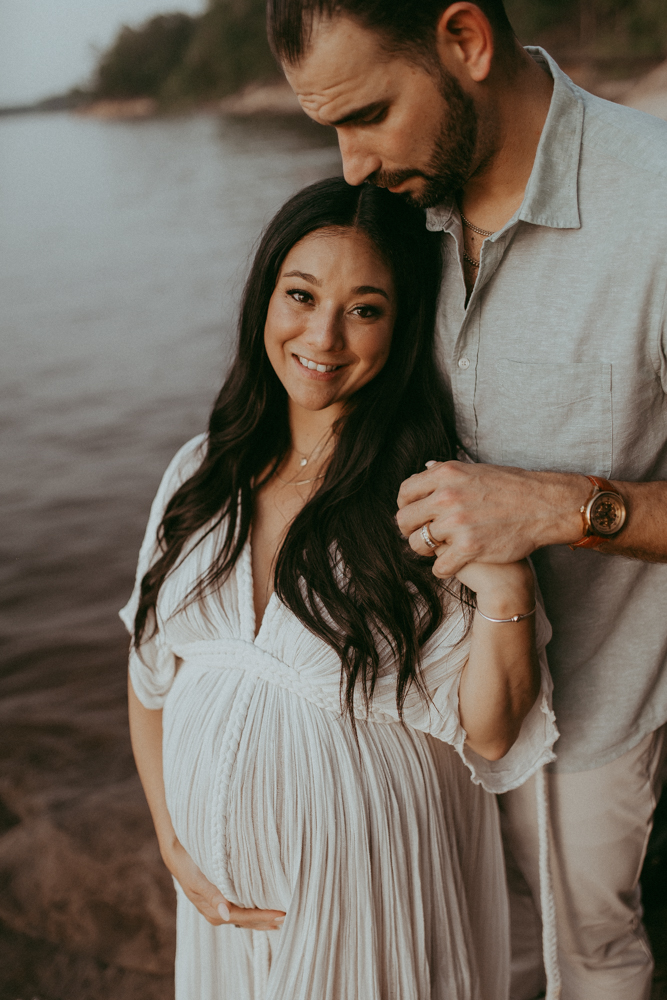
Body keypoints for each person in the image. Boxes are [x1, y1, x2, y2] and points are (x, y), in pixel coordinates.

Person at [266, 1, 667, 998]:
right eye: (331, 130)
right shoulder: (397, 212)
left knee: (594, 960)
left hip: (595, 725)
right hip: (418, 724)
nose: (351, 165)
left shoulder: (655, 206)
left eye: (366, 114)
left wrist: (564, 506)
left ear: (464, 41)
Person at [120, 177, 558, 1000]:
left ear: (400, 327)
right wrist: (172, 840)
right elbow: (149, 680)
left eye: (364, 308)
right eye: (300, 294)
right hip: (218, 914)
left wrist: (506, 574)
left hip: (369, 897)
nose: (321, 333)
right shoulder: (199, 476)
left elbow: (493, 731)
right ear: (264, 300)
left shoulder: (426, 496)